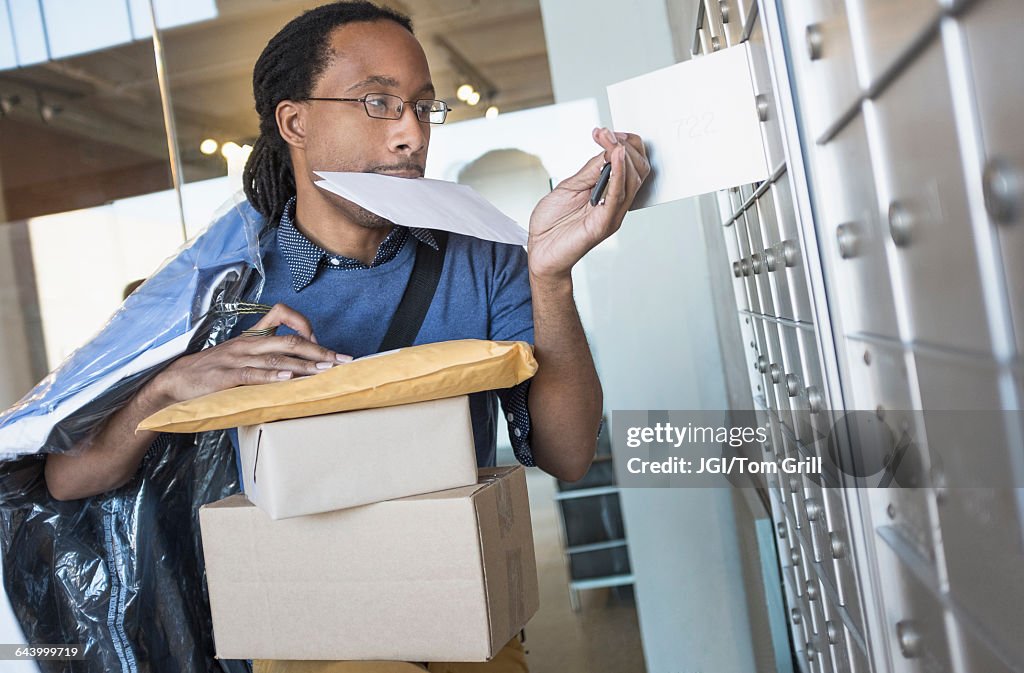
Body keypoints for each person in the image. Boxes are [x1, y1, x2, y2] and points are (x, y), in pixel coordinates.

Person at [35, 1, 649, 671]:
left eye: (423, 105)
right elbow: (70, 479)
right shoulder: (223, 283)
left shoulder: (487, 258)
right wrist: (172, 386)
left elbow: (566, 455)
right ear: (294, 121)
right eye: (378, 103)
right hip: (295, 640)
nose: (411, 133)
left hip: (462, 633)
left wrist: (551, 279)